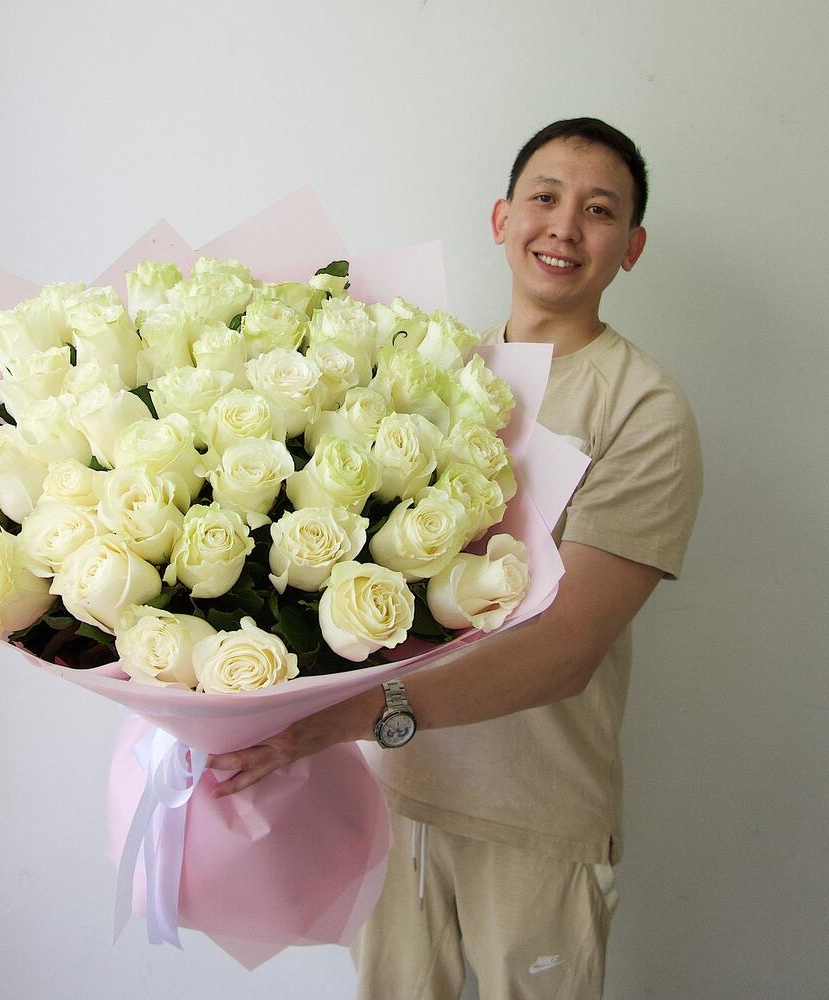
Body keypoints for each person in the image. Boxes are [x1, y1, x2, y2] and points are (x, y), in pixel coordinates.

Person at [206, 118, 703, 998]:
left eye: (599, 210)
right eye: (545, 198)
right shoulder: (427, 375)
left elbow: (567, 650)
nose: (565, 226)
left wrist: (346, 719)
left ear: (631, 247)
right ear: (502, 218)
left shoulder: (643, 408)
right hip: (392, 797)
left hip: (535, 815)